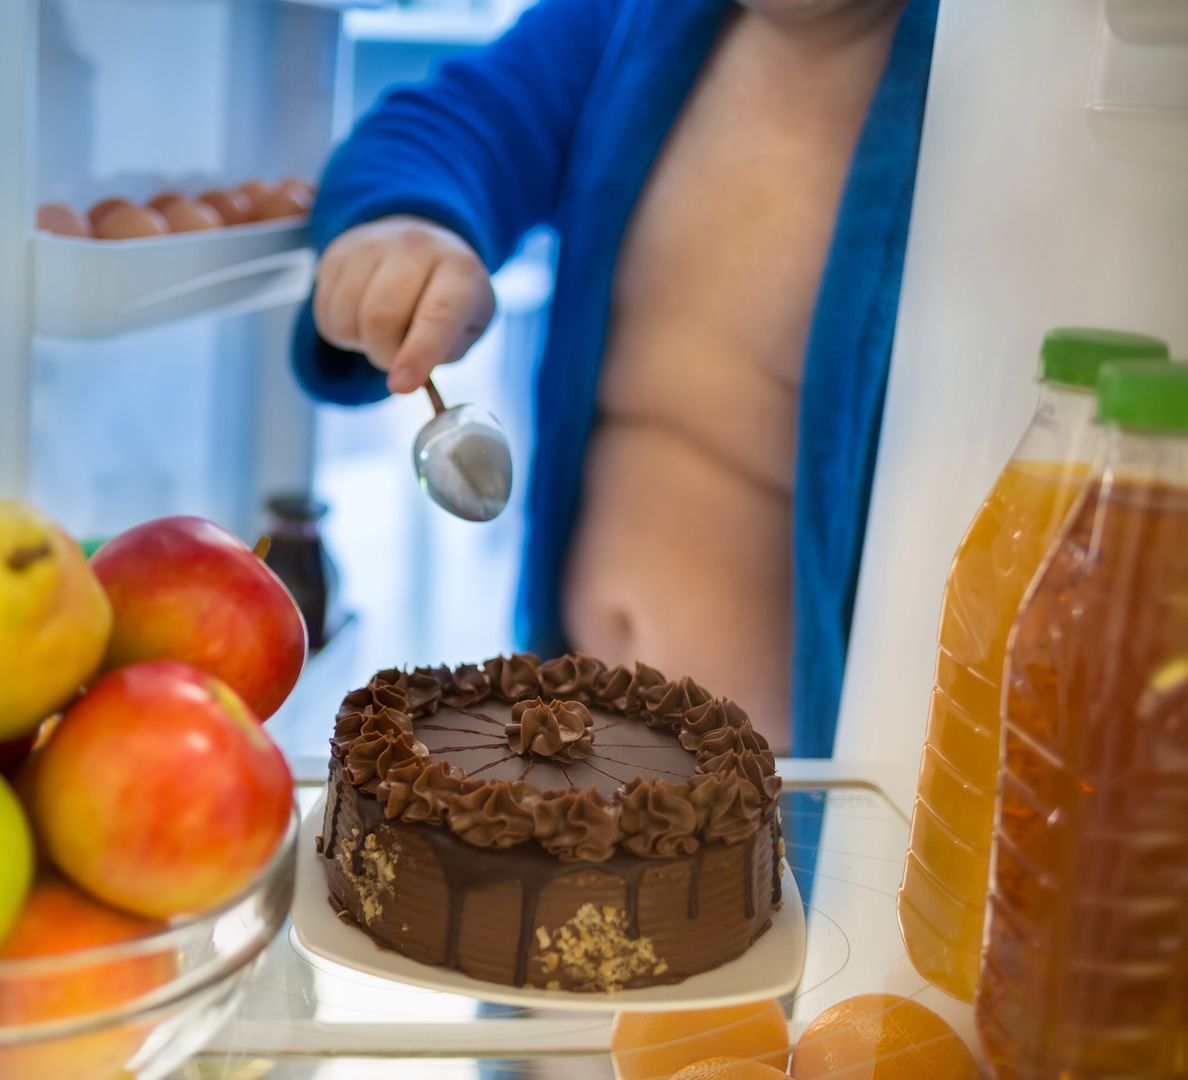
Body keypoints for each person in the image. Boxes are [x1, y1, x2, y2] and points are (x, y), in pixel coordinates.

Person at [293, 0, 938, 755]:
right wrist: (405, 225)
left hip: (792, 805)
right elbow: (453, 123)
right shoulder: (621, 20)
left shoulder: (987, 87)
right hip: (569, 725)